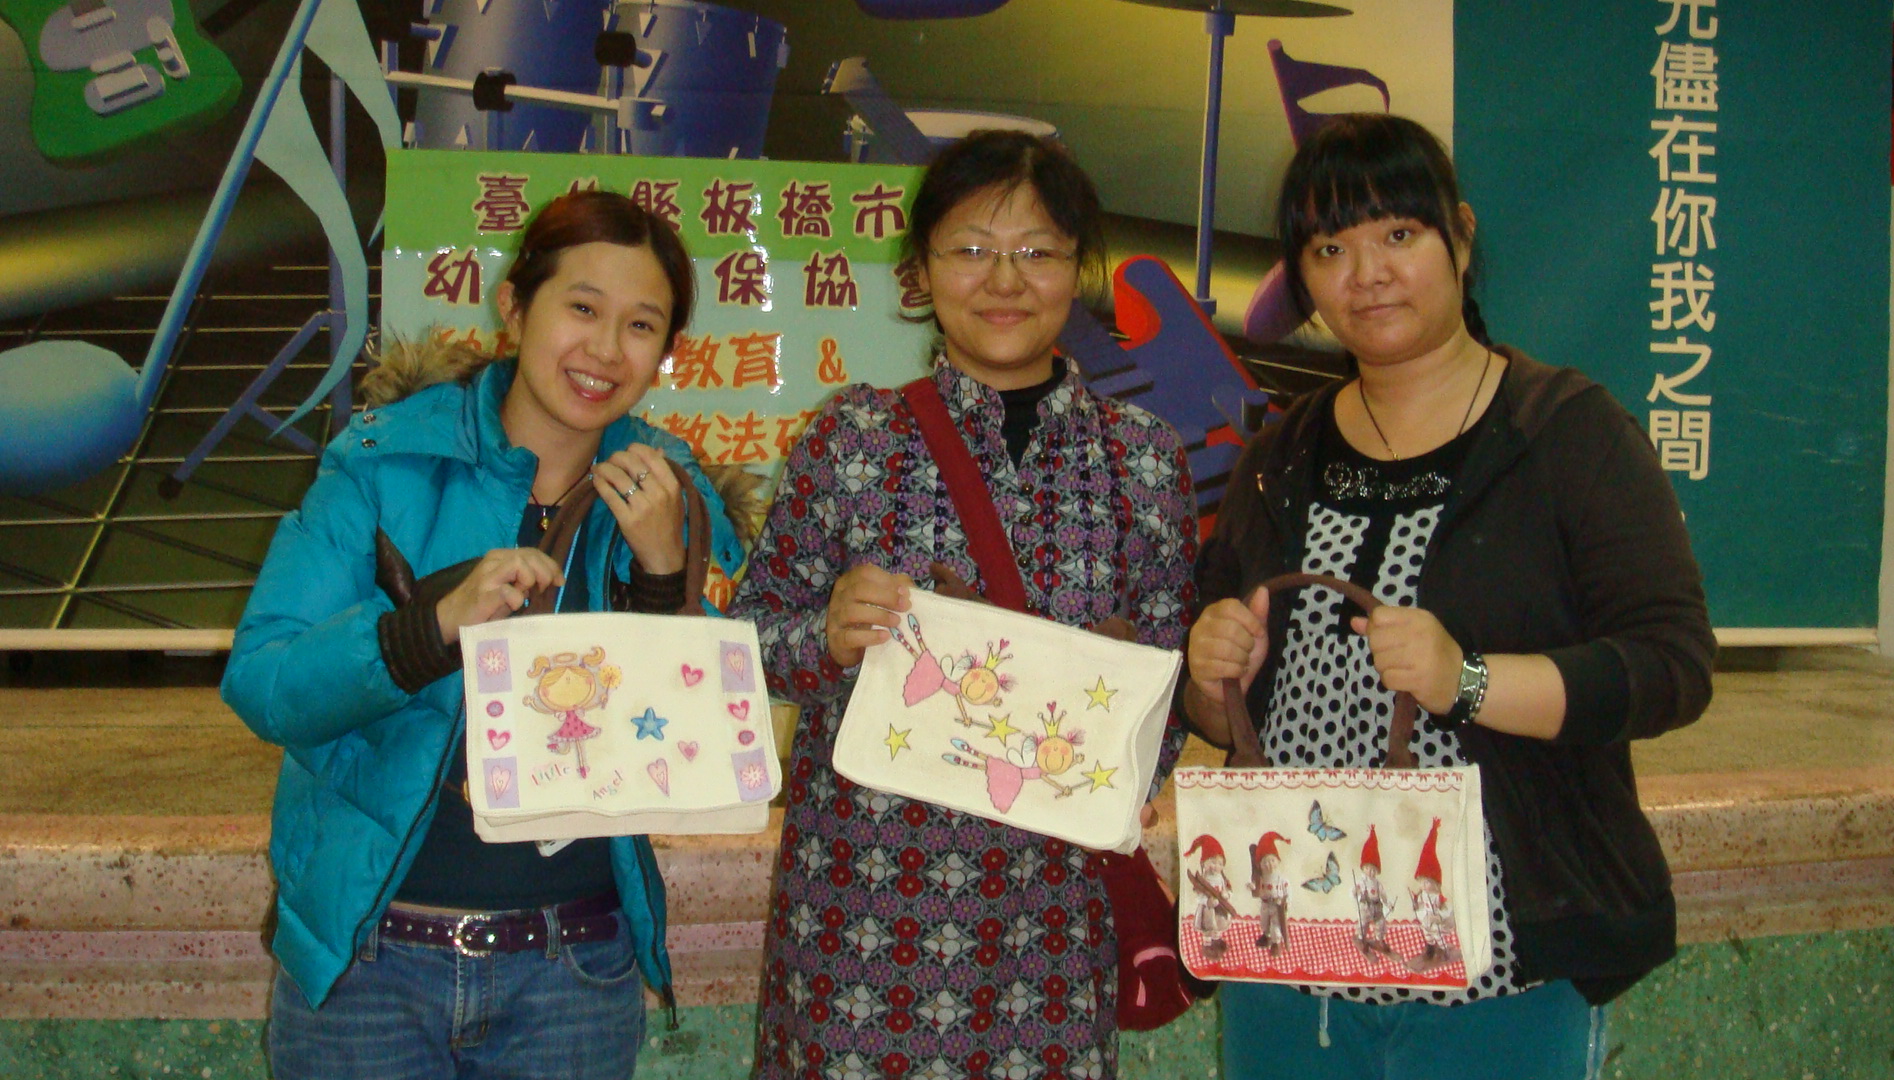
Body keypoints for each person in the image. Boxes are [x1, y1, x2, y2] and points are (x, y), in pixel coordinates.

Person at [1182, 114, 1714, 1079]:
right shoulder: (1279, 455)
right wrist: (1213, 670)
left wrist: (1465, 681)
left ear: (1460, 239)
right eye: (1330, 249)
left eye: (1399, 234)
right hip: (1286, 952)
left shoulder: (1566, 433)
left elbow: (1670, 668)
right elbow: (1216, 711)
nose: (1367, 274)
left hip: (1499, 964)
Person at [221, 190, 744, 1080]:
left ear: (665, 351)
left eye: (640, 326)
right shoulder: (383, 464)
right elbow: (264, 684)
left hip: (575, 970)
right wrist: (427, 629)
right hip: (368, 966)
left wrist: (664, 572)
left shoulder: (673, 495)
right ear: (515, 306)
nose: (604, 351)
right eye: (582, 308)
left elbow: (701, 747)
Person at [732, 129, 1198, 1078]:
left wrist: (1122, 747)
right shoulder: (853, 438)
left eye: (1037, 252)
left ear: (1078, 270)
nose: (1005, 280)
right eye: (972, 249)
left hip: (1056, 928)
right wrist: (825, 636)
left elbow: (1172, 684)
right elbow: (746, 643)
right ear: (921, 269)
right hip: (861, 927)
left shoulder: (1142, 460)